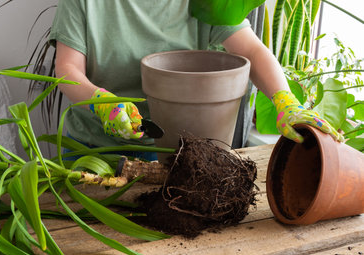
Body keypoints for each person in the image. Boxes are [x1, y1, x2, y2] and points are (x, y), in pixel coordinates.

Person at [49, 0, 343, 160]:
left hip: (172, 152)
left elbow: (252, 50)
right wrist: (101, 102)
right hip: (93, 149)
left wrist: (285, 100)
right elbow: (67, 69)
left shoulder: (202, 2)